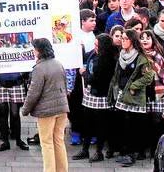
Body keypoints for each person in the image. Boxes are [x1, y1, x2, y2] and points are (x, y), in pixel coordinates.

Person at [21, 37, 70, 172]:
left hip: (46, 111)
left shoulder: (39, 68)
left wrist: (25, 109)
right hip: (62, 108)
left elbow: (33, 93)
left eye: (34, 49)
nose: (33, 51)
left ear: (39, 50)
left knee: (47, 143)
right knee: (59, 141)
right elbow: (65, 86)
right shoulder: (58, 64)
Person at [108, 28, 154, 166]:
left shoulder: (141, 58)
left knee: (134, 127)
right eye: (122, 38)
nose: (122, 41)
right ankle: (125, 152)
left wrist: (134, 86)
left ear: (132, 41)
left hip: (134, 97)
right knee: (124, 126)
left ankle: (132, 155)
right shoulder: (122, 55)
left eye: (125, 39)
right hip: (122, 95)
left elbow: (148, 77)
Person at [76, 33, 118, 162]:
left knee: (100, 125)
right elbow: (84, 56)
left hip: (101, 95)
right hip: (91, 94)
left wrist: (84, 74)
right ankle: (85, 150)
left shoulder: (108, 60)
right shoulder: (94, 55)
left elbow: (98, 79)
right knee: (87, 123)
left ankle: (99, 152)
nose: (95, 47)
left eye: (97, 45)